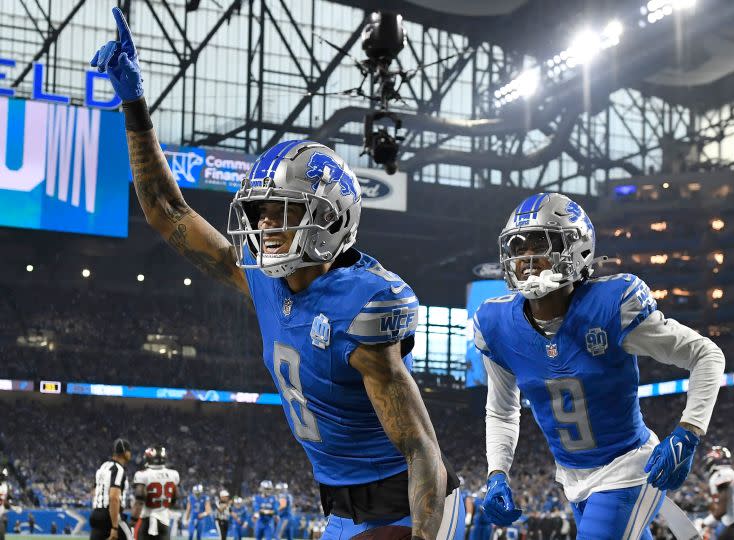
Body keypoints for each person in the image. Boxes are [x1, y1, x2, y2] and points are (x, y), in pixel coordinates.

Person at [91, 7, 462, 539]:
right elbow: (165, 211)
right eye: (260, 213)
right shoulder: (264, 281)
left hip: (406, 505)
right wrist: (134, 105)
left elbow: (420, 447)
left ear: (330, 219)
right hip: (341, 511)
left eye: (281, 212)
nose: (264, 225)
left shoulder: (361, 304)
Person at [473, 192, 725, 538]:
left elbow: (706, 355)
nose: (527, 259)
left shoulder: (612, 305)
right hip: (571, 476)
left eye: (539, 244)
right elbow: (502, 411)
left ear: (576, 249)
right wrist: (497, 473)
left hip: (629, 467)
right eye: (517, 248)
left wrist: (689, 432)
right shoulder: (496, 324)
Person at [702, 446, 734, 540]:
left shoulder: (722, 473)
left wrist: (704, 522)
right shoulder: (726, 473)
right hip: (731, 522)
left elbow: (722, 509)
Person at [131, 446, 179, 540]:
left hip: (146, 521)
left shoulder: (142, 474)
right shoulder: (173, 474)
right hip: (164, 521)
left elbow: (139, 501)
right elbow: (174, 498)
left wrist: (133, 521)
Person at [90, 439, 133, 540]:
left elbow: (94, 492)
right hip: (110, 516)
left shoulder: (103, 466)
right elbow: (114, 497)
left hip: (96, 515)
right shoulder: (118, 469)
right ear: (125, 452)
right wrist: (114, 527)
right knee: (130, 536)